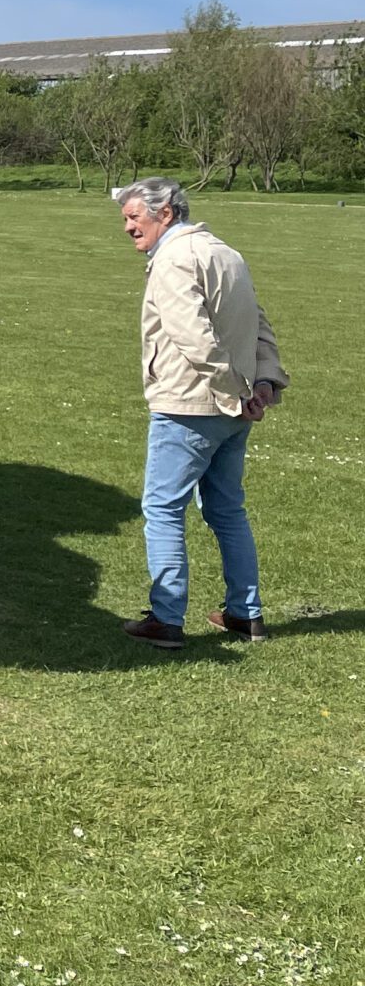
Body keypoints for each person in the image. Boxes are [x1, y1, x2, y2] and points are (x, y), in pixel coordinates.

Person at [114, 177, 288, 650]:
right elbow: (260, 325)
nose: (128, 227)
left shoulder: (174, 258)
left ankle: (166, 619)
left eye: (134, 217)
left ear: (166, 213)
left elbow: (194, 337)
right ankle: (245, 614)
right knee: (227, 510)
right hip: (232, 409)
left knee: (163, 508)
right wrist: (262, 384)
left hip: (189, 405)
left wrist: (240, 390)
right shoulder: (227, 253)